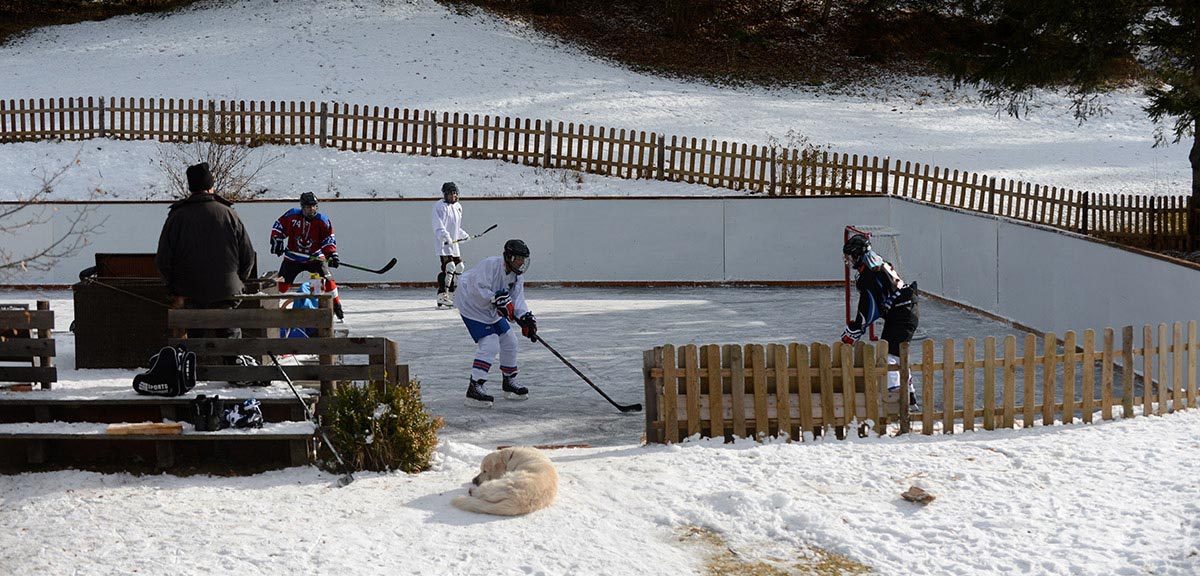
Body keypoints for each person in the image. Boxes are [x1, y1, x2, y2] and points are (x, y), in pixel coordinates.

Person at [155, 161, 257, 352]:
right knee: (229, 334)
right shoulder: (229, 214)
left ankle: (193, 369)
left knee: (194, 334)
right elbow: (248, 256)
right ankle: (234, 367)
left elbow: (163, 260)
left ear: (191, 188)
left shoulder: (177, 217)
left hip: (190, 290)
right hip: (227, 290)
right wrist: (238, 282)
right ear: (211, 187)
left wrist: (174, 286)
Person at [454, 239, 539, 407]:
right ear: (508, 257)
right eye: (519, 258)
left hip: (490, 309)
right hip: (471, 305)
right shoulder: (490, 265)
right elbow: (476, 289)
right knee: (490, 344)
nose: (522, 263)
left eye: (524, 259)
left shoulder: (516, 277)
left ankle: (509, 381)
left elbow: (517, 302)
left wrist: (526, 319)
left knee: (510, 341)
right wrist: (494, 299)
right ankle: (475, 386)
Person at [840, 233, 920, 409]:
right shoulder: (879, 263)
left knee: (889, 356)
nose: (849, 261)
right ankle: (910, 399)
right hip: (905, 311)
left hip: (903, 314)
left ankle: (895, 399)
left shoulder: (869, 274)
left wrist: (856, 327)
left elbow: (869, 305)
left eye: (850, 256)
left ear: (857, 255)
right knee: (898, 356)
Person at [269, 192, 345, 321]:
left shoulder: (323, 220)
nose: (312, 209)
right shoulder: (292, 215)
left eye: (314, 206)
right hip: (293, 257)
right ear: (302, 207)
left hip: (314, 258)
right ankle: (272, 309)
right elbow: (278, 228)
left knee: (327, 280)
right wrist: (277, 241)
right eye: (308, 207)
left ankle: (336, 304)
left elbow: (328, 239)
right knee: (282, 285)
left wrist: (332, 255)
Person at [432, 181, 468, 309]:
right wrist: (444, 235)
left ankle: (453, 294)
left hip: (454, 244)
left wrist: (463, 235)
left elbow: (456, 226)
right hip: (443, 243)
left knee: (459, 267)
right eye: (450, 194)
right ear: (445, 195)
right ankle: (442, 295)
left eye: (455, 194)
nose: (453, 196)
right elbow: (438, 224)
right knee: (449, 267)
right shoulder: (439, 206)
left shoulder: (458, 206)